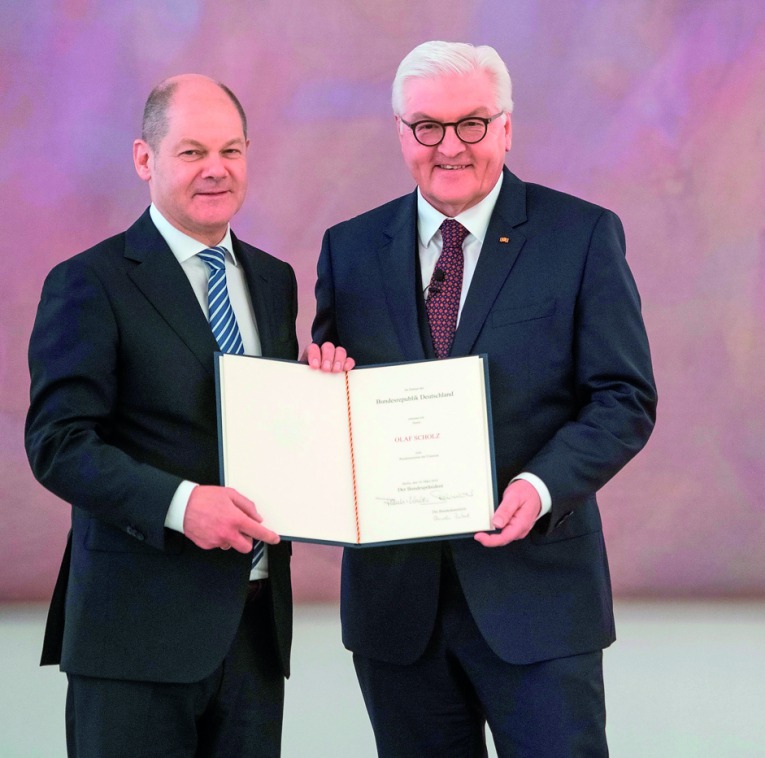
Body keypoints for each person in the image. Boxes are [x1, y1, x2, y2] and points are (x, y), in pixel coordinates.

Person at [312, 41, 656, 757]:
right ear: (401, 133)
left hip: (537, 599)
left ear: (506, 127)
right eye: (426, 127)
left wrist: (540, 486)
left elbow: (624, 398)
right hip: (396, 610)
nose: (450, 146)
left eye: (471, 123)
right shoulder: (348, 249)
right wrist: (323, 389)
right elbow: (337, 407)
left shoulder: (580, 235)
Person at [25, 74, 352, 758]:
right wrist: (181, 504)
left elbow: (257, 425)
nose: (216, 169)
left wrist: (323, 401)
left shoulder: (271, 280)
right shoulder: (89, 282)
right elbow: (58, 442)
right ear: (145, 159)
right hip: (134, 640)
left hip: (255, 633)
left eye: (232, 151)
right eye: (192, 151)